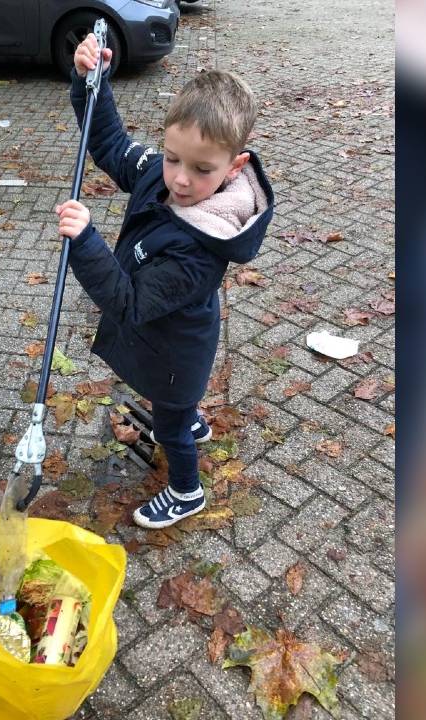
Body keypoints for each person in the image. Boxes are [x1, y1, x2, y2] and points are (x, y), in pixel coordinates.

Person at [54, 34, 274, 529]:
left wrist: (86, 240)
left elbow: (127, 302)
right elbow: (109, 142)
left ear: (235, 166)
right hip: (167, 335)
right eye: (173, 157)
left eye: (201, 169)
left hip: (177, 353)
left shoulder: (201, 251)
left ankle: (185, 489)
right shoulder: (162, 173)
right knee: (178, 407)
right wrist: (93, 83)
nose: (178, 179)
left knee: (170, 422)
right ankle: (191, 417)